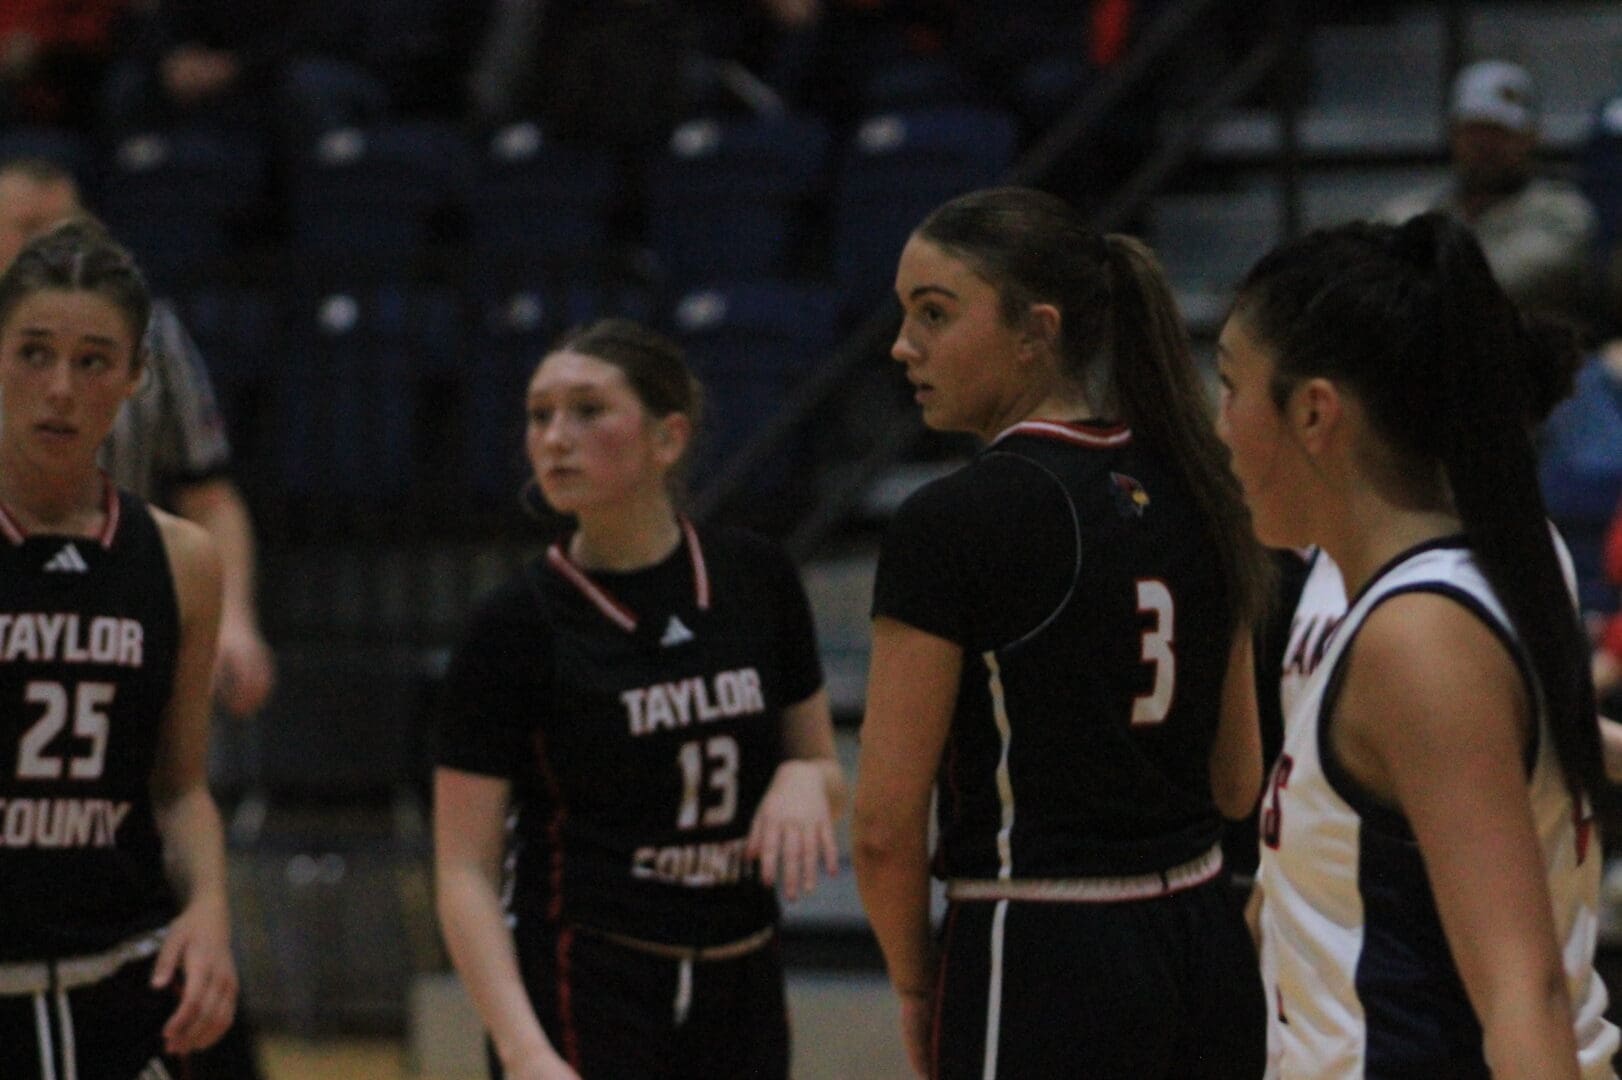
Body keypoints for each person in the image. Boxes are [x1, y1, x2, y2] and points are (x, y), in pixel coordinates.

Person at [852, 186, 1272, 1079]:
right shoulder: (1202, 485)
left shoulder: (950, 520)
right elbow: (1238, 785)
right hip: (1206, 944)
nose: (902, 344)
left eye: (935, 314)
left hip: (1043, 948)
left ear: (1035, 331)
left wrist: (918, 986)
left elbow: (884, 829)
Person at [1217, 211, 1618, 1077]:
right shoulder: (1447, 585)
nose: (1220, 427)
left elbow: (1524, 997)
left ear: (1314, 411)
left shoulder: (1420, 639)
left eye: (1229, 386)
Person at [433, 317, 846, 1079]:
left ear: (668, 438)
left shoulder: (756, 577)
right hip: (587, 979)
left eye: (588, 410)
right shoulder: (513, 624)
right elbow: (463, 870)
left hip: (742, 979)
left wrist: (804, 777)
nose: (555, 437)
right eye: (539, 415)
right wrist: (524, 1052)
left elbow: (822, 767)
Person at [0, 153, 273, 1080]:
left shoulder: (179, 563)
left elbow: (179, 789)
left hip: (116, 979)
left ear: (134, 379)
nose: (61, 389)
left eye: (92, 363)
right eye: (34, 355)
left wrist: (211, 910)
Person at [0, 156, 276, 721]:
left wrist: (233, 620)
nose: (51, 246)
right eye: (28, 228)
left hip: (116, 608)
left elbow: (209, 494)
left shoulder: (148, 331)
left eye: (65, 226)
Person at [1380, 59, 1599, 331]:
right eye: (1473, 131)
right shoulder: (1409, 211)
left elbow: (1502, 281)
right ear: (1452, 134)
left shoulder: (1564, 214)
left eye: (1499, 132)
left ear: (1532, 137)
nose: (1484, 145)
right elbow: (1374, 283)